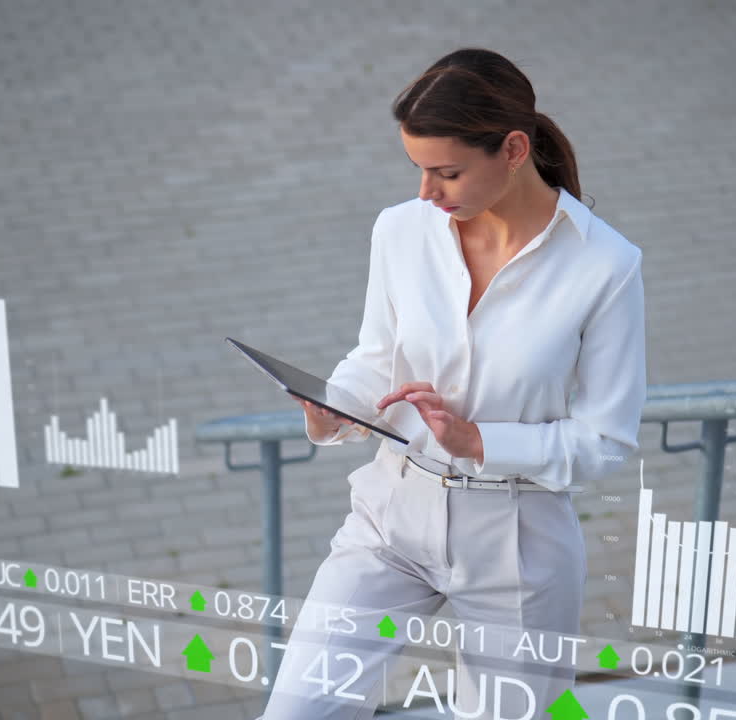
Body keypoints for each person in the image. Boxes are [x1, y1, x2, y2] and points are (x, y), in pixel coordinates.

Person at [259, 47, 647, 719]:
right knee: (298, 710)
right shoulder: (402, 231)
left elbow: (607, 439)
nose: (426, 193)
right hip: (391, 515)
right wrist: (333, 407)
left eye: (448, 172)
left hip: (518, 543)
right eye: (417, 169)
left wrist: (478, 441)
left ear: (514, 149)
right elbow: (377, 355)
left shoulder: (606, 266)